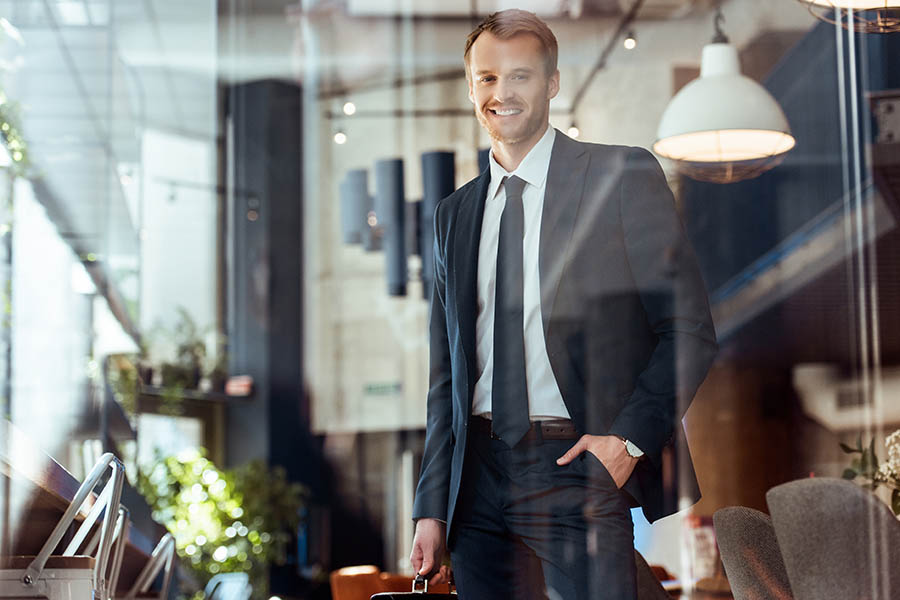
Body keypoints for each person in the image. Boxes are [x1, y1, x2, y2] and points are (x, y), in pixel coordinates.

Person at [409, 9, 717, 600]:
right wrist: (432, 504)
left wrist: (626, 443)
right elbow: (445, 378)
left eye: (520, 76)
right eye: (487, 78)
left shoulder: (619, 175)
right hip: (475, 484)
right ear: (471, 88)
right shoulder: (453, 215)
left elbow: (689, 330)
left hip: (573, 461)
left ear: (552, 83)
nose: (502, 93)